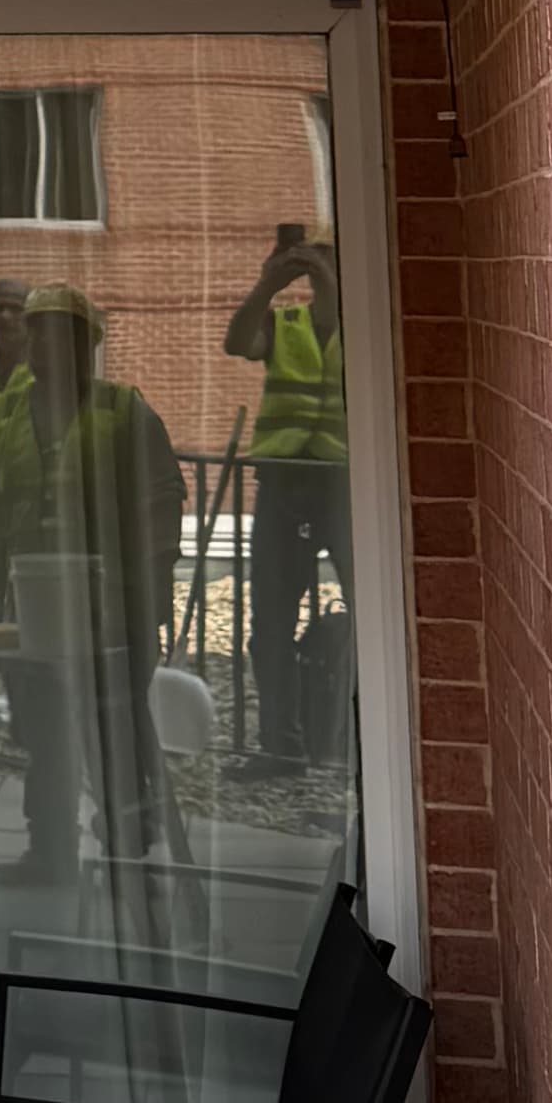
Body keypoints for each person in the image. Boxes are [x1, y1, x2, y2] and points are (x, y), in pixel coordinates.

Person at [0, 280, 181, 885]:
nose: (51, 345)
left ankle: (128, 844)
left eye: (65, 334)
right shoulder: (1, 417)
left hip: (115, 607)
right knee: (46, 734)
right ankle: (50, 852)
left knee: (117, 728)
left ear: (86, 345)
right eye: (41, 332)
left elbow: (162, 502)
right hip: (34, 608)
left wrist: (152, 594)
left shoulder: (123, 409)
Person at [223, 228, 351, 770]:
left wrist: (330, 282)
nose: (311, 263)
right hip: (283, 486)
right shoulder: (285, 325)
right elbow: (236, 342)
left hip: (347, 486)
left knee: (371, 612)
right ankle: (282, 746)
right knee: (270, 622)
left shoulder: (365, 325)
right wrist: (266, 285)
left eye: (324, 257)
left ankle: (351, 738)